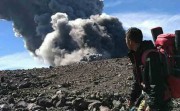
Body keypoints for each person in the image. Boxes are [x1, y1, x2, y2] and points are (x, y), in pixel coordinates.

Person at [125, 27, 172, 111]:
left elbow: (156, 82)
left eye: (125, 39)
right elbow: (138, 81)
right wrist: (132, 99)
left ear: (129, 40)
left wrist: (152, 105)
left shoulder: (150, 55)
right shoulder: (138, 56)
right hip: (149, 97)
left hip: (160, 100)